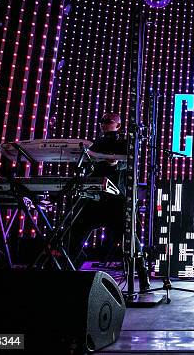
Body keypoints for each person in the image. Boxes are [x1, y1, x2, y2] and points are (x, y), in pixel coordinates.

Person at [69, 112, 150, 291]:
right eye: (102, 121)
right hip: (95, 197)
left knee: (130, 238)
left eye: (108, 121)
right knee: (76, 230)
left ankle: (143, 275)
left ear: (118, 125)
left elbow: (130, 162)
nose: (103, 124)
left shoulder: (124, 142)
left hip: (116, 198)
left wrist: (114, 163)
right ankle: (70, 266)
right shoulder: (96, 142)